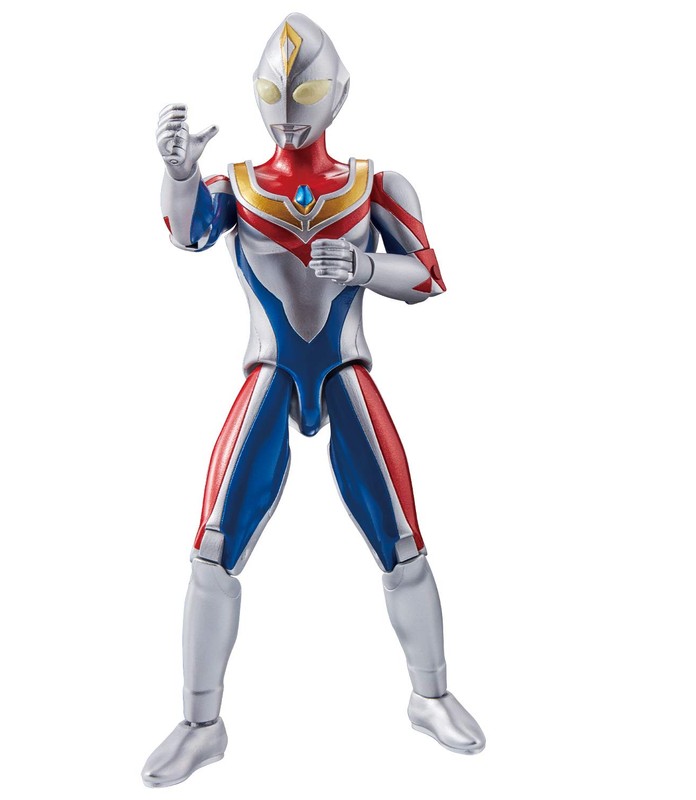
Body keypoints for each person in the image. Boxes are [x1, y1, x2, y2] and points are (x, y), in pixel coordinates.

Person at [142, 13, 485, 788]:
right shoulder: (239, 186)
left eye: (304, 93)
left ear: (339, 94)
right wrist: (181, 173)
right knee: (213, 544)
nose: (289, 110)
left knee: (403, 539)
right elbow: (188, 234)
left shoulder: (375, 186)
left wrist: (365, 267)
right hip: (268, 372)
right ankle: (200, 723)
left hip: (344, 370)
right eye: (274, 93)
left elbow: (428, 277)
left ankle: (431, 697)